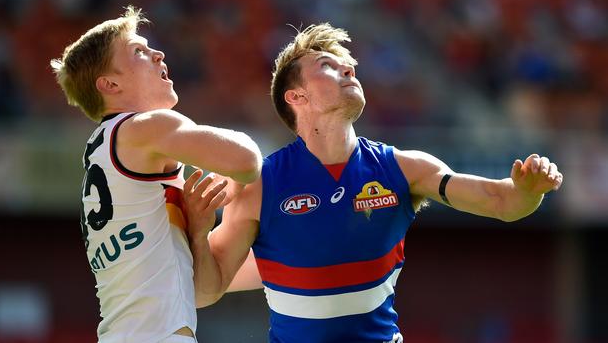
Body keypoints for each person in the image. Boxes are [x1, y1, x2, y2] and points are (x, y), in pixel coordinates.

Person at [184, 23, 564, 343]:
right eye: (328, 66)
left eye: (349, 66)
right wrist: (199, 235)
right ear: (296, 96)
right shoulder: (259, 185)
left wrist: (528, 192)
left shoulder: (404, 168)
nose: (349, 70)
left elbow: (501, 202)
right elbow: (204, 291)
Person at [50, 6, 261, 343]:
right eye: (139, 51)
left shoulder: (106, 148)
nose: (158, 53)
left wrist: (197, 233)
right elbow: (247, 161)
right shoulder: (145, 127)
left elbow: (201, 294)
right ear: (110, 84)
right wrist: (241, 172)